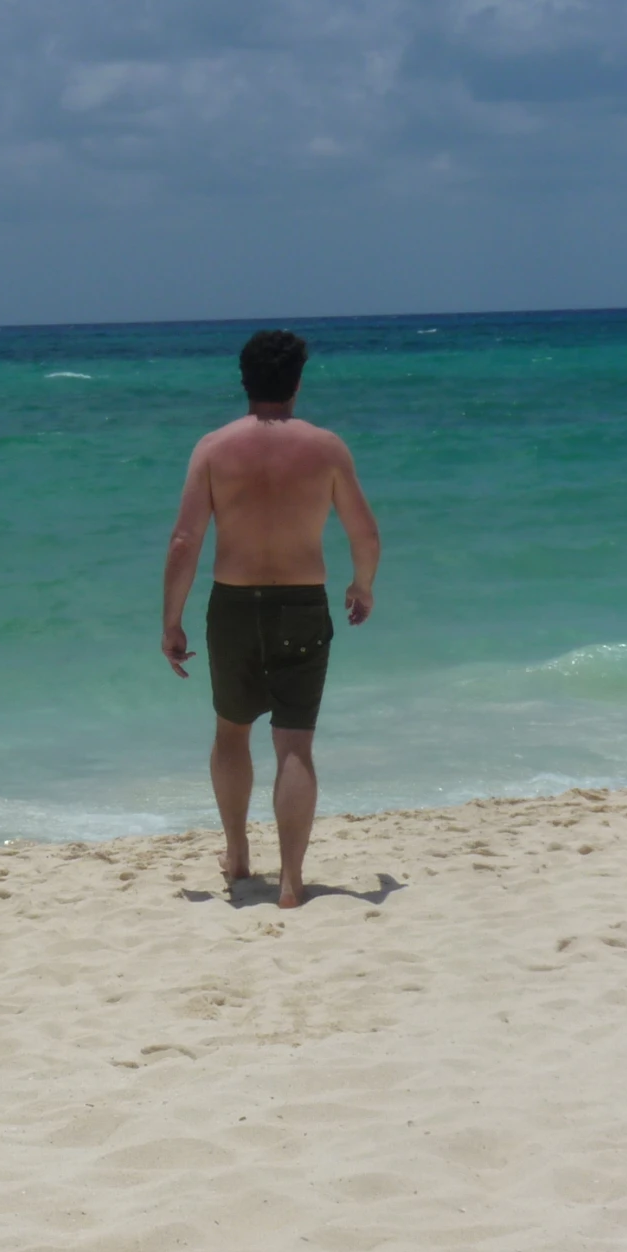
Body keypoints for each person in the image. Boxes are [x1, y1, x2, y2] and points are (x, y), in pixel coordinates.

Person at [161, 330, 380, 908]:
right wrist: (363, 584)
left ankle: (237, 855)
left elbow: (185, 540)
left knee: (231, 732)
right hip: (303, 604)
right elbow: (364, 531)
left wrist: (172, 621)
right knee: (294, 746)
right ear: (297, 383)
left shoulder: (213, 448)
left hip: (234, 604)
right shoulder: (327, 448)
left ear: (244, 381)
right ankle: (290, 880)